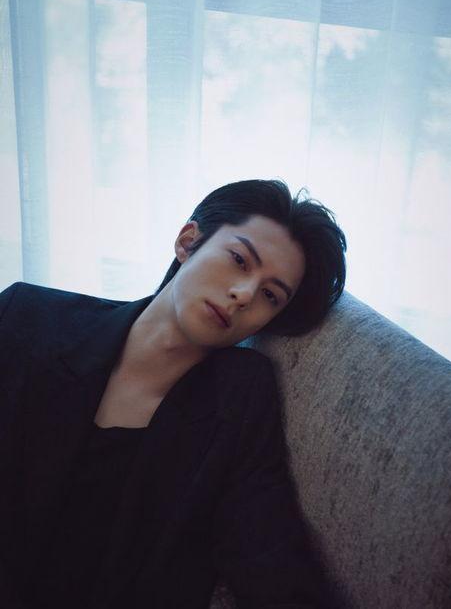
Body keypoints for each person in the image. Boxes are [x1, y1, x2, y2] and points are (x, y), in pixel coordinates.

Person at [0, 179, 347, 609]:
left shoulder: (240, 402)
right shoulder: (26, 318)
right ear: (187, 242)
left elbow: (271, 561)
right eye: (239, 260)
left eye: (270, 295)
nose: (244, 295)